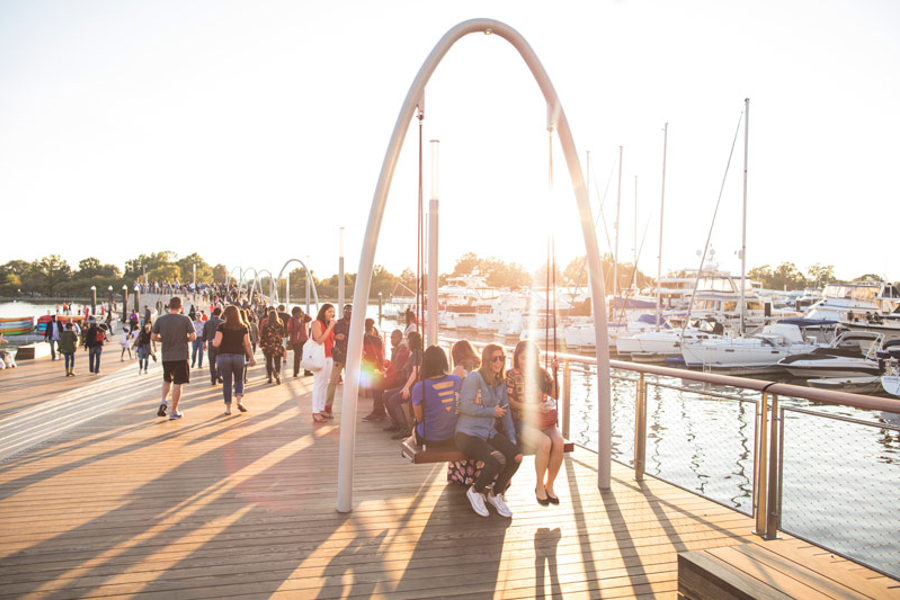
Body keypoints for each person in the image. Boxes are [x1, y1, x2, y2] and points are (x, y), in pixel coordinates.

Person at [455, 343, 521, 518]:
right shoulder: (474, 378)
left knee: (516, 456)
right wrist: (492, 411)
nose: (498, 362)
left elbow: (505, 412)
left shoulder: (500, 381)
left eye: (501, 358)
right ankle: (475, 491)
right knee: (497, 460)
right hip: (467, 434)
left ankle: (495, 493)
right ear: (486, 360)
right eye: (494, 358)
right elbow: (465, 406)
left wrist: (512, 440)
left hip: (488, 433)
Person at [506, 340, 563, 505]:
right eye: (523, 358)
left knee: (558, 443)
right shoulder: (512, 375)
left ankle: (550, 485)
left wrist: (554, 372)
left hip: (545, 420)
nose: (526, 362)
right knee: (545, 443)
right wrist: (532, 407)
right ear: (517, 358)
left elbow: (555, 395)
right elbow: (510, 402)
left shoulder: (542, 373)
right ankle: (539, 485)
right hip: (523, 421)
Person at [151, 296, 196, 420]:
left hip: (166, 355)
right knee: (178, 383)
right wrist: (184, 340)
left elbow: (153, 337)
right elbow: (193, 336)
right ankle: (174, 411)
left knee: (167, 379)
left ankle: (163, 401)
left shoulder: (161, 320)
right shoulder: (185, 319)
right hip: (181, 355)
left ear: (168, 306)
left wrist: (163, 340)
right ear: (181, 306)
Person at [410, 346, 460, 448]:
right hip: (452, 436)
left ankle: (411, 438)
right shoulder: (456, 380)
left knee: (415, 429)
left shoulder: (420, 386)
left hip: (428, 438)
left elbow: (419, 418)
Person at [212, 305, 257, 415]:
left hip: (224, 356)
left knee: (227, 381)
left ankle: (228, 408)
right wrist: (252, 358)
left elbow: (216, 343)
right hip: (238, 355)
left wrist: (213, 341)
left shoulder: (221, 327)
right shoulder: (243, 327)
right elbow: (247, 344)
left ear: (225, 315)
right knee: (239, 379)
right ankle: (239, 400)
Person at [384, 331, 424, 439]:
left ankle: (405, 428)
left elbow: (416, 371)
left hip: (413, 387)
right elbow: (404, 370)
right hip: (408, 385)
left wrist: (406, 388)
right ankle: (395, 423)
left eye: (407, 339)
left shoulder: (417, 354)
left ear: (410, 341)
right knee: (386, 395)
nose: (405, 341)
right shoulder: (412, 354)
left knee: (393, 399)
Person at [363, 329, 405, 422]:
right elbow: (393, 366)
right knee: (376, 380)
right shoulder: (397, 349)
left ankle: (379, 412)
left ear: (400, 338)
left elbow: (400, 370)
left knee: (377, 383)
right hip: (395, 376)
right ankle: (378, 411)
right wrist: (385, 373)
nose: (391, 340)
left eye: (394, 338)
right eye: (391, 338)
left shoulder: (403, 350)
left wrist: (386, 376)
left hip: (400, 379)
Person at [310, 303, 336, 423]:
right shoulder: (316, 323)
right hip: (320, 357)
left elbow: (327, 340)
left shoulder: (326, 324)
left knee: (325, 383)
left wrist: (336, 337)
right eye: (329, 311)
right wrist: (330, 328)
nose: (332, 314)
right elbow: (319, 340)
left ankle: (321, 408)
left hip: (329, 356)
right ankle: (315, 411)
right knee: (318, 383)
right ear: (323, 312)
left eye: (333, 312)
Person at [325, 304, 352, 418]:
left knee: (351, 383)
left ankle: (350, 405)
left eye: (349, 312)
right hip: (339, 356)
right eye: (346, 312)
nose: (348, 314)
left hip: (351, 356)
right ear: (343, 312)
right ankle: (328, 405)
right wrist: (336, 337)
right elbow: (329, 337)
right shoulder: (337, 324)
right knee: (332, 381)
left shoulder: (356, 324)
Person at [260, 307, 285, 384]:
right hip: (277, 345)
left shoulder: (266, 326)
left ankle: (270, 376)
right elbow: (283, 335)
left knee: (269, 361)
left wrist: (262, 344)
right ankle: (277, 373)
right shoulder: (280, 325)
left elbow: (262, 335)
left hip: (268, 346)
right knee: (278, 361)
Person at [287, 306, 311, 378]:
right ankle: (295, 372)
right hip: (296, 341)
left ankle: (307, 371)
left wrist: (304, 314)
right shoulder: (291, 320)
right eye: (299, 313)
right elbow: (289, 330)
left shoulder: (302, 319)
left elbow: (309, 318)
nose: (300, 314)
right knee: (297, 356)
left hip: (304, 339)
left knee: (306, 356)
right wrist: (298, 327)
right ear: (295, 313)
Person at [203, 307, 224, 385]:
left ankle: (213, 379)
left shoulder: (207, 323)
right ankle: (218, 374)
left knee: (212, 362)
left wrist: (204, 343)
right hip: (220, 344)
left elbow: (204, 334)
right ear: (220, 313)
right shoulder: (222, 322)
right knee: (221, 361)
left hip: (211, 344)